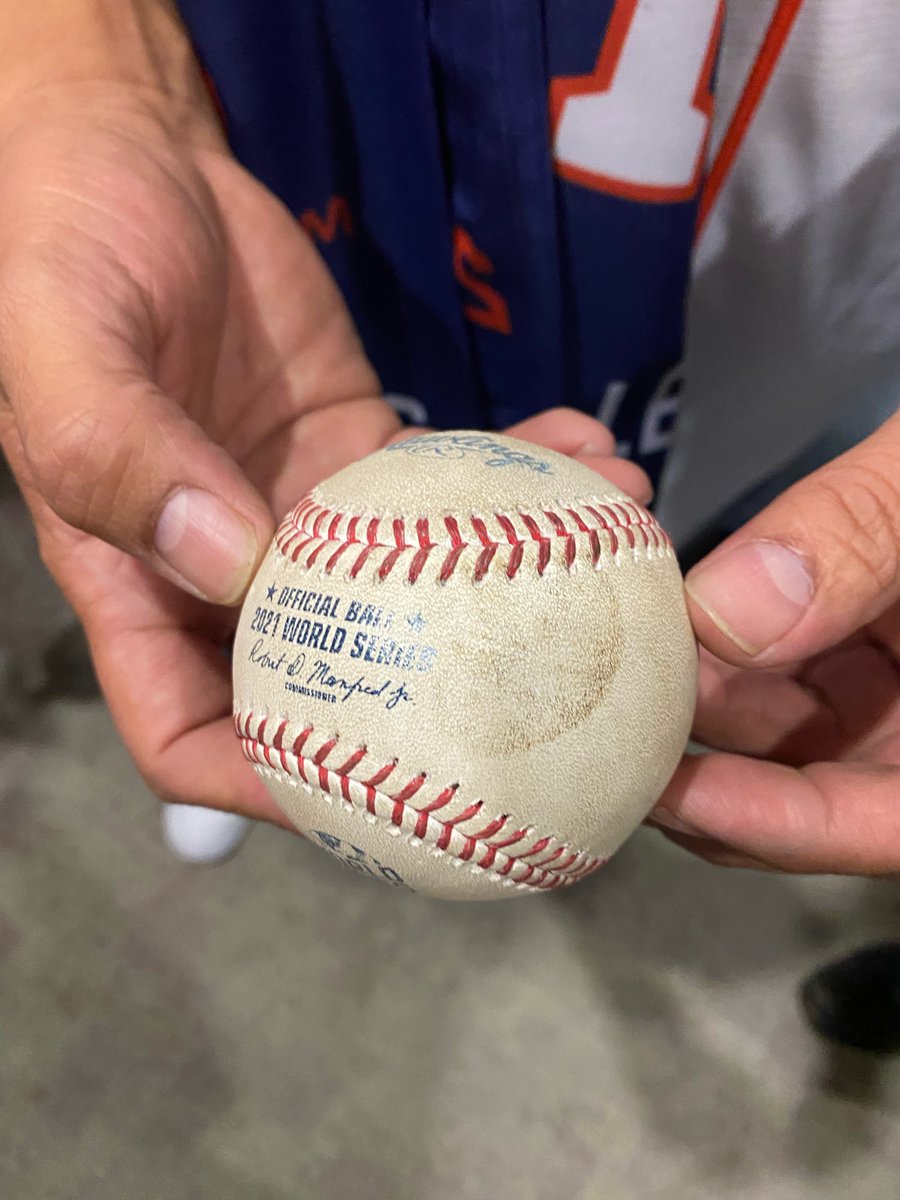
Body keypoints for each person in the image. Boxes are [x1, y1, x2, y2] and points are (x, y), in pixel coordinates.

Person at [0, 2, 897, 1045]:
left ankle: (541, 699)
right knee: (260, 406)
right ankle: (279, 676)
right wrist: (96, 74)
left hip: (805, 159)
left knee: (697, 476)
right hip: (297, 103)